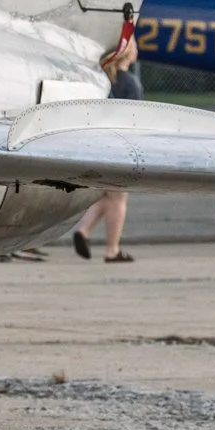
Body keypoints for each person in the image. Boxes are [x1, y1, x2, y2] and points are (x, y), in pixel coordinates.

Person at [72, 33, 139, 262]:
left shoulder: (101, 79)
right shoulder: (130, 83)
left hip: (99, 144)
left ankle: (84, 231)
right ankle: (112, 249)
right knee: (119, 199)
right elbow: (135, 119)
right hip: (120, 147)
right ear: (130, 54)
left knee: (107, 196)